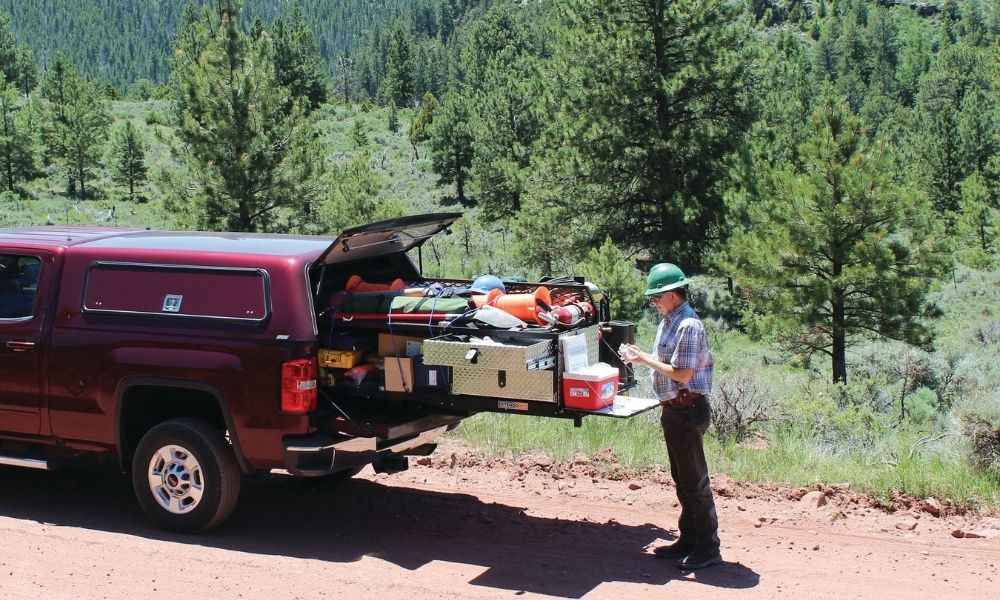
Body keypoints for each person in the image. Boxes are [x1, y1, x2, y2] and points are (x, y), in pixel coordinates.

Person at [618, 263, 721, 569]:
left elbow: (682, 373)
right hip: (675, 410)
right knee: (683, 480)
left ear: (672, 295)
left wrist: (643, 360)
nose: (654, 303)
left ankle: (708, 547)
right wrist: (643, 356)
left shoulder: (687, 325)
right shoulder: (671, 321)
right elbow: (667, 363)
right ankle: (688, 540)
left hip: (688, 409)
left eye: (656, 297)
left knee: (695, 482)